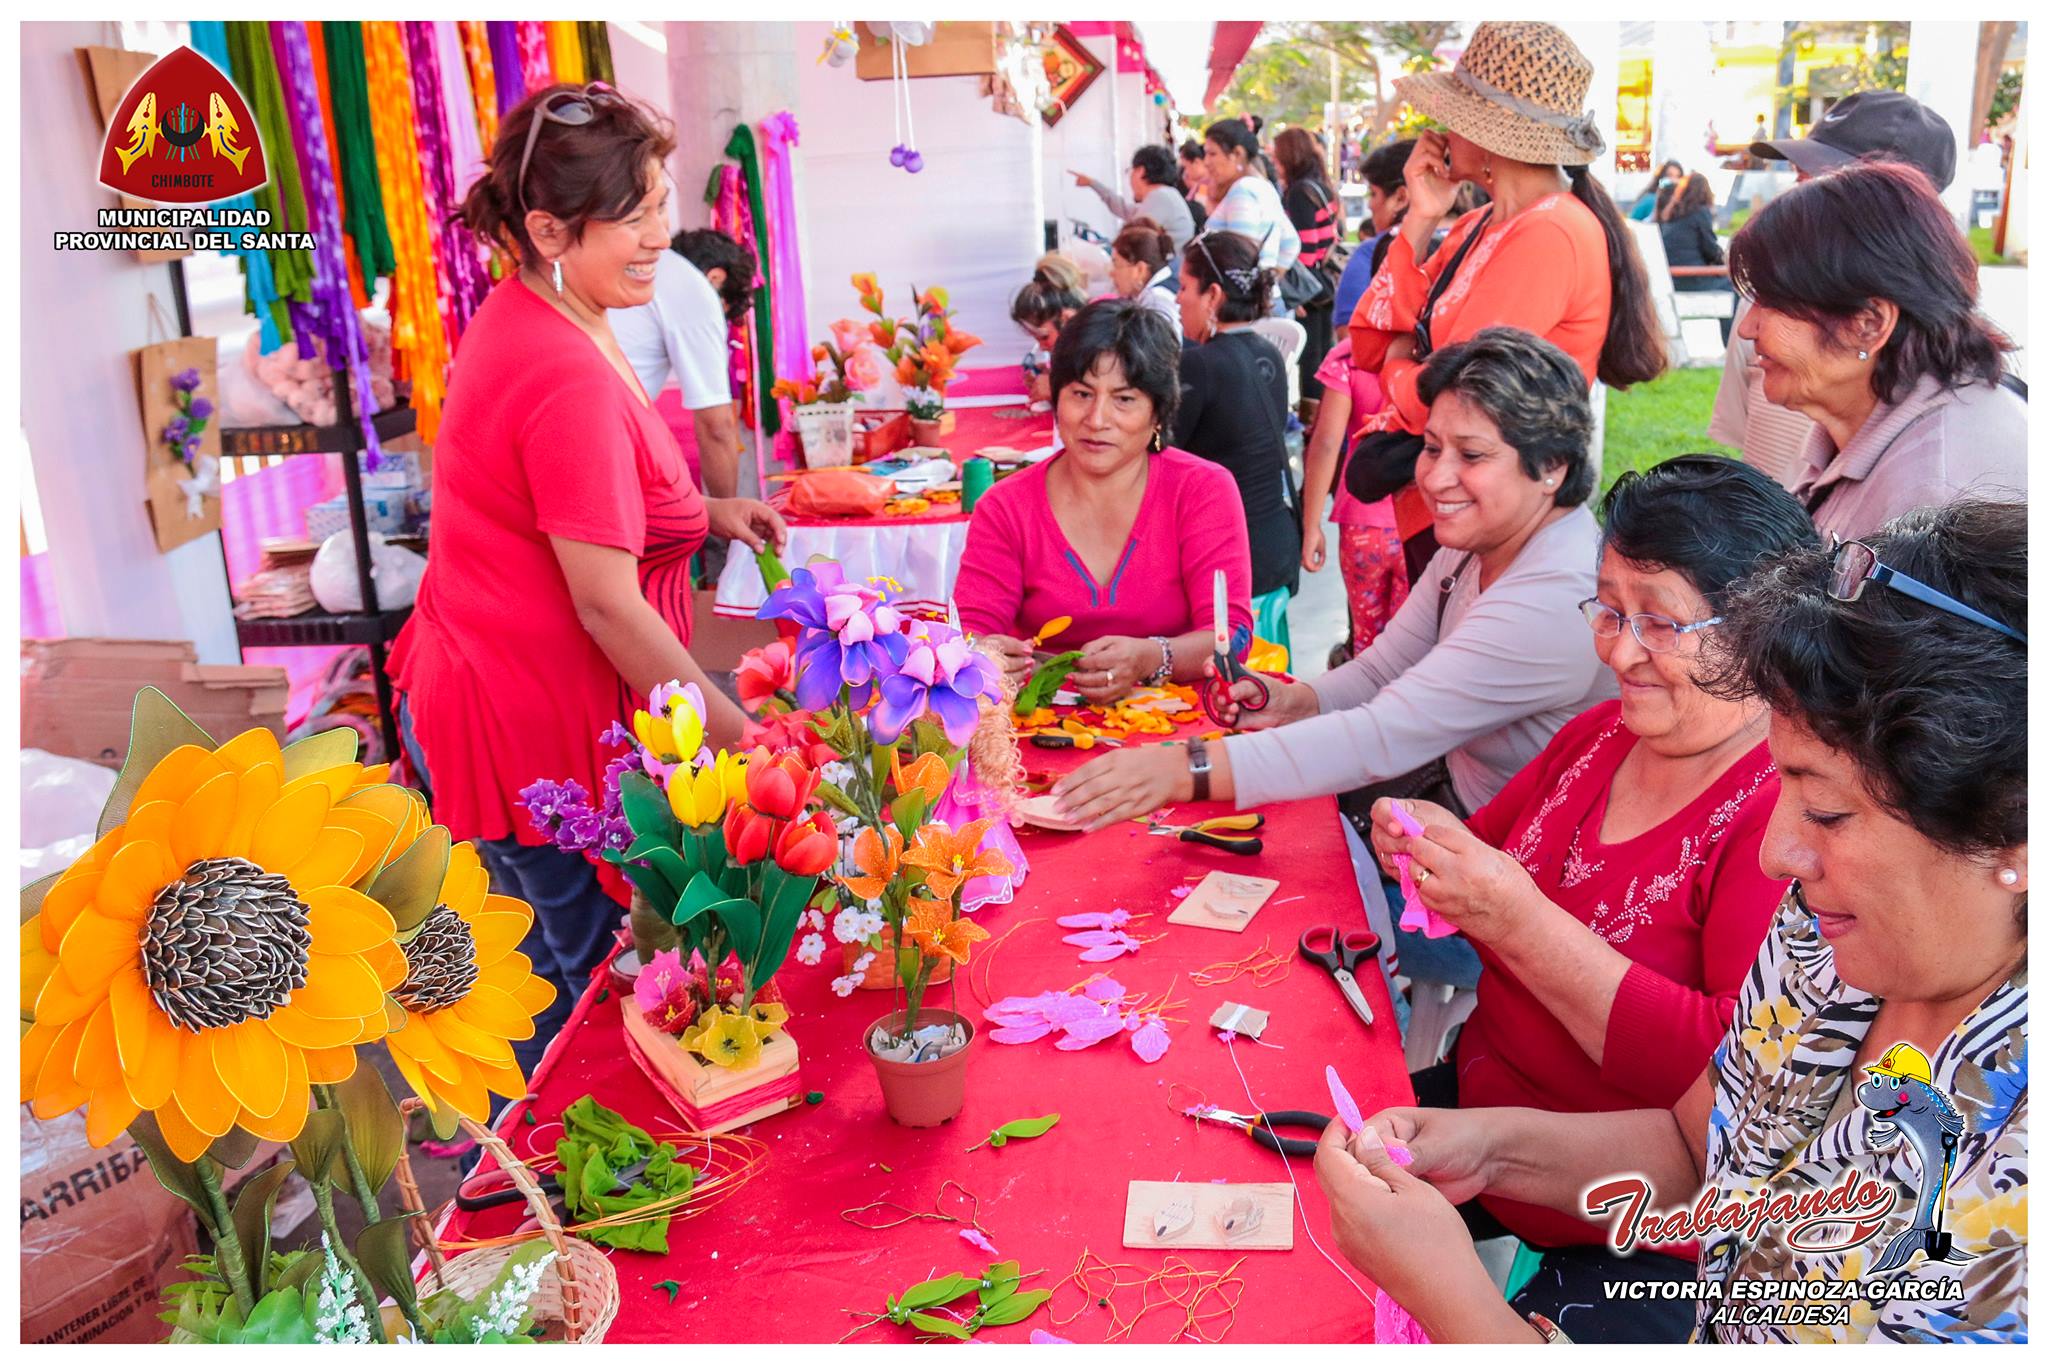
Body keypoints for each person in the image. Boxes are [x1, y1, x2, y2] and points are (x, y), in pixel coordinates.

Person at [1319, 498, 2027, 1344]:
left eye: (1828, 813)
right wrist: (1486, 1147)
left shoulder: (2009, 1181)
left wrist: (1457, 1302)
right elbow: (1698, 1148)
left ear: (2013, 830)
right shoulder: (1820, 939)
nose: (1776, 854)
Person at [1344, 457, 1818, 1330]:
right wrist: (1423, 845)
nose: (1620, 649)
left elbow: (1731, 1086)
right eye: (1607, 608)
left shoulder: (1779, 814)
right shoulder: (1604, 733)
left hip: (1632, 1221)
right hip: (1479, 1119)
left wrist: (1519, 922)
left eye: (1661, 623)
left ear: (1764, 630)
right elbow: (1482, 862)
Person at [390, 85, 787, 1068]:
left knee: (575, 992)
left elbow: (569, 509)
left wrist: (700, 513)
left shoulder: (556, 306)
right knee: (590, 1020)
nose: (661, 235)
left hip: (496, 683)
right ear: (546, 227)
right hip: (525, 715)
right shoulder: (562, 368)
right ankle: (558, 1213)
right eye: (635, 215)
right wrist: (746, 743)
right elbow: (604, 602)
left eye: (661, 205)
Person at [1053, 328, 1614, 833]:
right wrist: (1296, 702)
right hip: (1453, 814)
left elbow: (1384, 733)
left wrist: (1183, 770)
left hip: (1517, 865)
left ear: (1551, 469)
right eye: (1433, 448)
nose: (1437, 478)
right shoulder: (1482, 543)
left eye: (1471, 455)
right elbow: (1382, 670)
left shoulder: (1555, 596)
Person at [1349, 22, 1664, 586]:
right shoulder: (1479, 222)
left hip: (1494, 516)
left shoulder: (1552, 232)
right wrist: (1420, 217)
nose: (1440, 129)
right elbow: (1369, 341)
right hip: (1459, 502)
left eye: (1455, 114)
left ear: (1490, 135)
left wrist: (1402, 366)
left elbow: (1446, 402)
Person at [954, 300, 1252, 704]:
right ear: (1056, 399)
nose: (1097, 419)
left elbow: (1230, 635)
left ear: (1158, 413)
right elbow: (969, 632)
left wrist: (1153, 658)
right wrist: (981, 656)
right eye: (1081, 393)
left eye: (1124, 399)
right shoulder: (1005, 507)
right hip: (1035, 732)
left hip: (1174, 729)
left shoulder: (1202, 490)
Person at [1725, 160, 2024, 537]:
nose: (1749, 328)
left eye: (1773, 302)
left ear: (1869, 325)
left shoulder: (1935, 502)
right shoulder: (1876, 422)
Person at [1710, 90, 1960, 486]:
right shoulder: (1763, 295)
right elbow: (1744, 430)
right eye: (1801, 177)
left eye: (1829, 184)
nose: (1799, 198)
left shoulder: (1950, 350)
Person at [1173, 232, 1300, 606]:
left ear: (1212, 296)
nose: (1178, 299)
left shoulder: (1199, 364)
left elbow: (1160, 453)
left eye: (1183, 288)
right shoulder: (1269, 355)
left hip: (1229, 561)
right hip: (1275, 547)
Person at [609, 227, 753, 498]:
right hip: (602, 446)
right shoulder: (691, 287)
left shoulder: (632, 268)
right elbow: (717, 426)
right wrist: (728, 522)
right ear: (715, 278)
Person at [1298, 336, 1407, 660]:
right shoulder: (1432, 345)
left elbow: (1327, 443)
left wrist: (1311, 524)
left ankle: (1369, 707)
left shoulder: (1349, 357)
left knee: (1367, 643)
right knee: (1413, 647)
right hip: (1418, 520)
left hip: (1363, 524)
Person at [1274, 125, 1343, 415]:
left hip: (1309, 287)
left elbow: (1304, 247)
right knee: (1320, 351)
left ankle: (1311, 423)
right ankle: (1319, 417)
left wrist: (1297, 294)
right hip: (1324, 282)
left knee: (1311, 357)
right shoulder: (1320, 186)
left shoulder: (1299, 192)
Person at [1199, 118, 1301, 277]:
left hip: (1241, 299)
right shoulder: (1263, 187)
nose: (1206, 162)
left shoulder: (1243, 191)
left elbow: (1240, 258)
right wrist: (1268, 282)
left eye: (1212, 154)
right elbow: (1291, 243)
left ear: (1238, 154)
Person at [1332, 137, 1415, 327]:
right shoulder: (1468, 241)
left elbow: (1349, 331)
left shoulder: (1372, 252)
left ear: (1401, 197)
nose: (1369, 205)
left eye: (1373, 193)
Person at [1069, 144, 1196, 254]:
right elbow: (1124, 209)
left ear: (1140, 171)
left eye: (1131, 171)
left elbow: (1131, 238)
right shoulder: (1165, 196)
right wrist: (1092, 183)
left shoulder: (1160, 197)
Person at [1656, 173, 1731, 343]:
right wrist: (1724, 261)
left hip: (1671, 278)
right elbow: (1710, 249)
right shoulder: (1700, 212)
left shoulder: (1672, 213)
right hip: (1691, 277)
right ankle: (1730, 344)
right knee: (1734, 287)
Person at [1010, 254, 1088, 405]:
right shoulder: (1073, 347)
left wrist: (1056, 387)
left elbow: (1101, 391)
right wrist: (1051, 373)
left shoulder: (1104, 340)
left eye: (1044, 337)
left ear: (1067, 319)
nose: (1041, 346)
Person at [1106, 218, 1181, 339]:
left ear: (1140, 269)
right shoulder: (1162, 285)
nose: (1111, 273)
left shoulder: (1156, 302)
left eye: (1116, 265)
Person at [1178, 138, 1213, 225]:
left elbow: (1200, 211)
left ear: (1196, 162)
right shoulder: (1201, 184)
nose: (1186, 172)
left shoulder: (1205, 185)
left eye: (1186, 167)